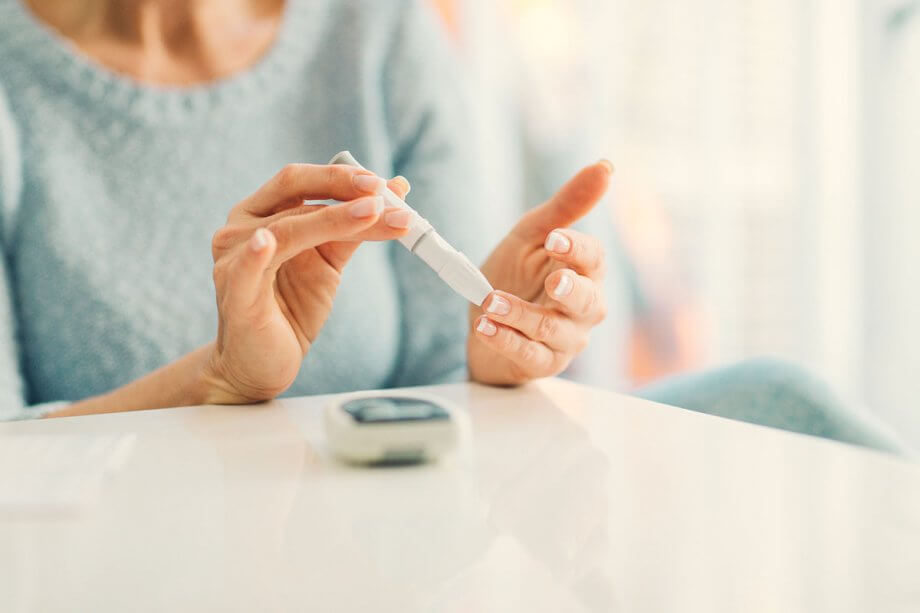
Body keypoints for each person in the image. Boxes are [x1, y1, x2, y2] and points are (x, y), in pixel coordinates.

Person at [0, 0, 910, 457]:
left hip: (402, 539)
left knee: (785, 406)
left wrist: (503, 348)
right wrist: (217, 379)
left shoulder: (375, 27)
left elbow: (455, 391)